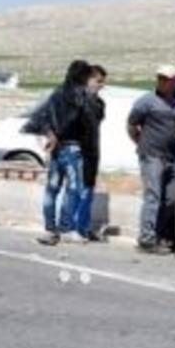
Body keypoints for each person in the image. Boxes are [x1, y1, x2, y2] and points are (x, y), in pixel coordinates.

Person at [127, 65, 175, 254]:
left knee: (171, 198)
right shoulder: (146, 102)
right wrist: (141, 143)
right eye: (160, 78)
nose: (163, 82)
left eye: (167, 79)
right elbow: (132, 124)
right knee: (153, 196)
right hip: (152, 156)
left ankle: (160, 234)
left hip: (173, 157)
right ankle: (147, 238)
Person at [35, 60, 92, 246]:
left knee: (52, 189)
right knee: (73, 190)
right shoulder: (81, 96)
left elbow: (42, 118)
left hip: (57, 149)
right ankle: (65, 229)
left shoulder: (57, 94)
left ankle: (50, 230)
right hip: (73, 149)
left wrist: (52, 135)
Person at [74, 64, 107, 241]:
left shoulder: (99, 104)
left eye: (102, 82)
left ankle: (83, 227)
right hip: (78, 151)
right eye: (98, 81)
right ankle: (74, 228)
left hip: (92, 151)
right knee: (78, 191)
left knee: (88, 190)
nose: (100, 85)